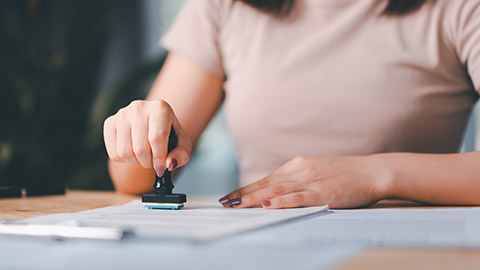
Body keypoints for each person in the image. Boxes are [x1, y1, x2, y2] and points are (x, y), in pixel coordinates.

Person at [103, 0, 480, 209]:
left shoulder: (459, 8)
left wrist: (374, 175)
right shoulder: (223, 7)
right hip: (257, 249)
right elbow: (132, 180)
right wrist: (140, 133)